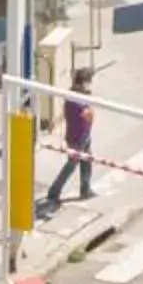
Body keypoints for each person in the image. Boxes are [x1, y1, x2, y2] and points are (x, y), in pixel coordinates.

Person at [43, 68, 98, 211]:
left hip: (84, 136)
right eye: (88, 82)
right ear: (82, 83)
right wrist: (90, 104)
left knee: (87, 161)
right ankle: (53, 192)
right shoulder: (76, 100)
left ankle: (85, 189)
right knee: (70, 166)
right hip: (77, 138)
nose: (90, 85)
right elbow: (89, 115)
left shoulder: (74, 95)